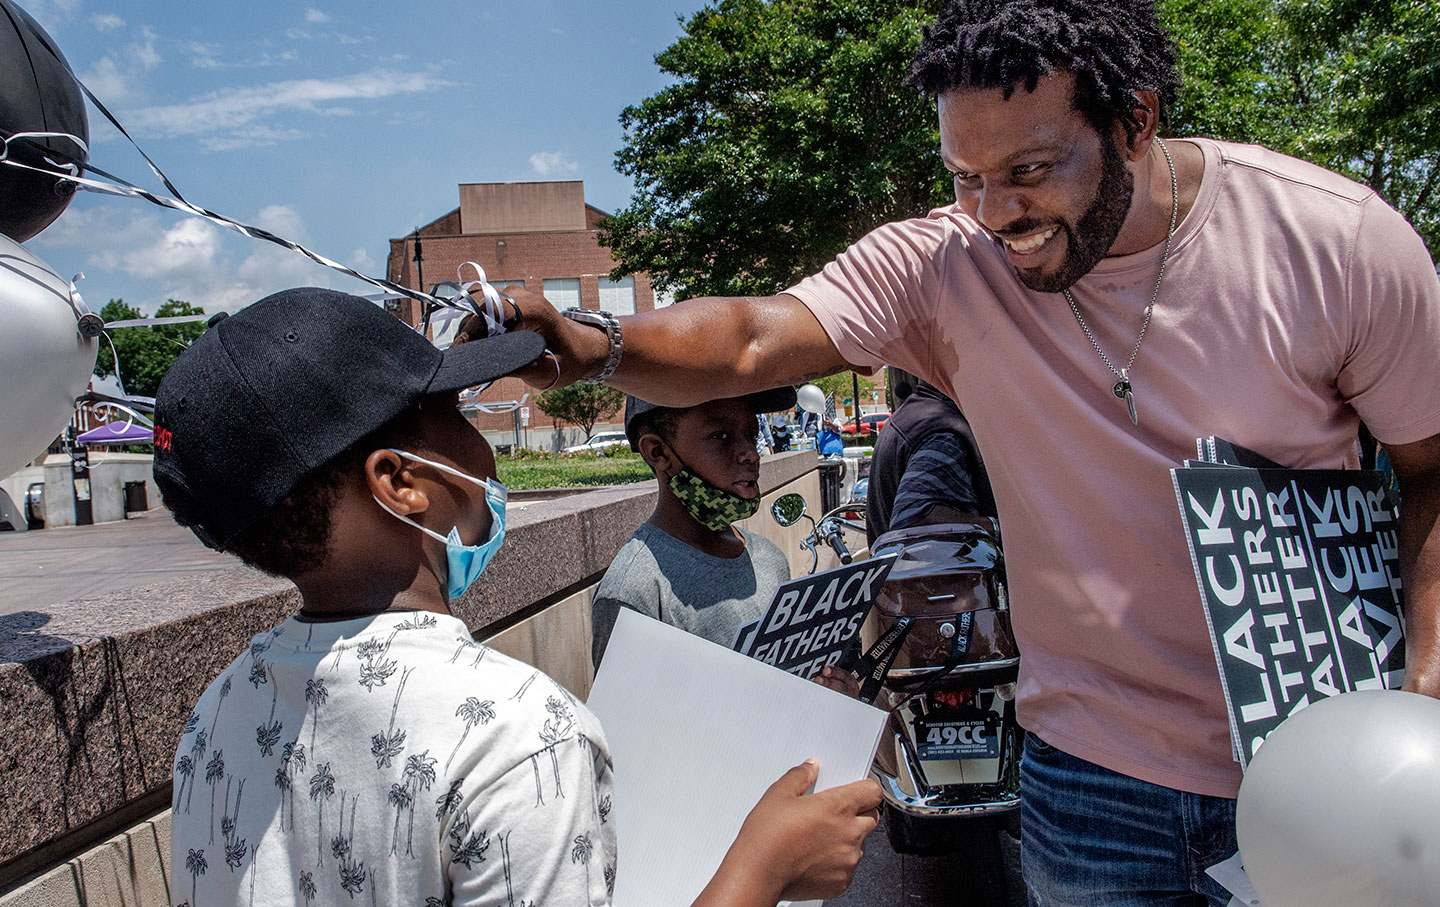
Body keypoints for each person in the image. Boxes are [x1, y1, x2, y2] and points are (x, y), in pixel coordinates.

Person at [495, 1, 1440, 903]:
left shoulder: (1340, 245)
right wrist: (595, 348)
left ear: (1135, 121)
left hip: (1318, 759)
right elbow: (751, 336)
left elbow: (1433, 469)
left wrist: (1424, 697)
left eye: (1029, 170)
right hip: (1090, 779)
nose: (995, 212)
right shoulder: (946, 264)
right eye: (964, 176)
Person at [155, 288, 880, 907]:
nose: (483, 445)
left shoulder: (211, 718)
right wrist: (765, 866)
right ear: (399, 480)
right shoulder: (518, 736)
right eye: (457, 415)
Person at [591, 390, 796, 668]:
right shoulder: (635, 593)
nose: (750, 453)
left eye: (751, 433)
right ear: (658, 452)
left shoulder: (769, 559)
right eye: (720, 436)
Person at [865, 380, 996, 547]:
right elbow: (917, 520)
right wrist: (998, 528)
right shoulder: (943, 431)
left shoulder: (914, 416)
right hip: (922, 569)